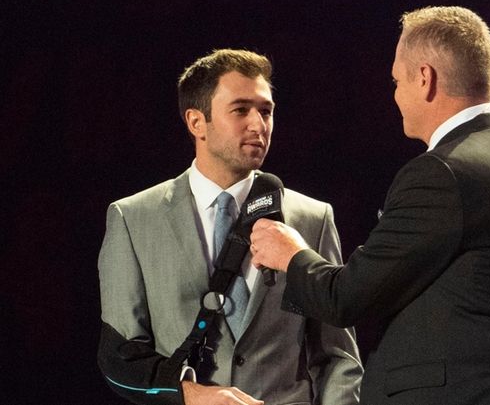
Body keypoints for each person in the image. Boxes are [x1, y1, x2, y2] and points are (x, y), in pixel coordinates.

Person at [249, 7, 490, 404]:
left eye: (397, 81)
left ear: (425, 78)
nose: (395, 95)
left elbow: (347, 298)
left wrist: (290, 253)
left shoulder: (443, 173)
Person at [97, 49, 363, 405]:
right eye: (240, 110)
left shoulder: (312, 218)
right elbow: (121, 357)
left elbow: (338, 356)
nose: (258, 125)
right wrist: (191, 394)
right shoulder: (133, 218)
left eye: (265, 111)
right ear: (196, 122)